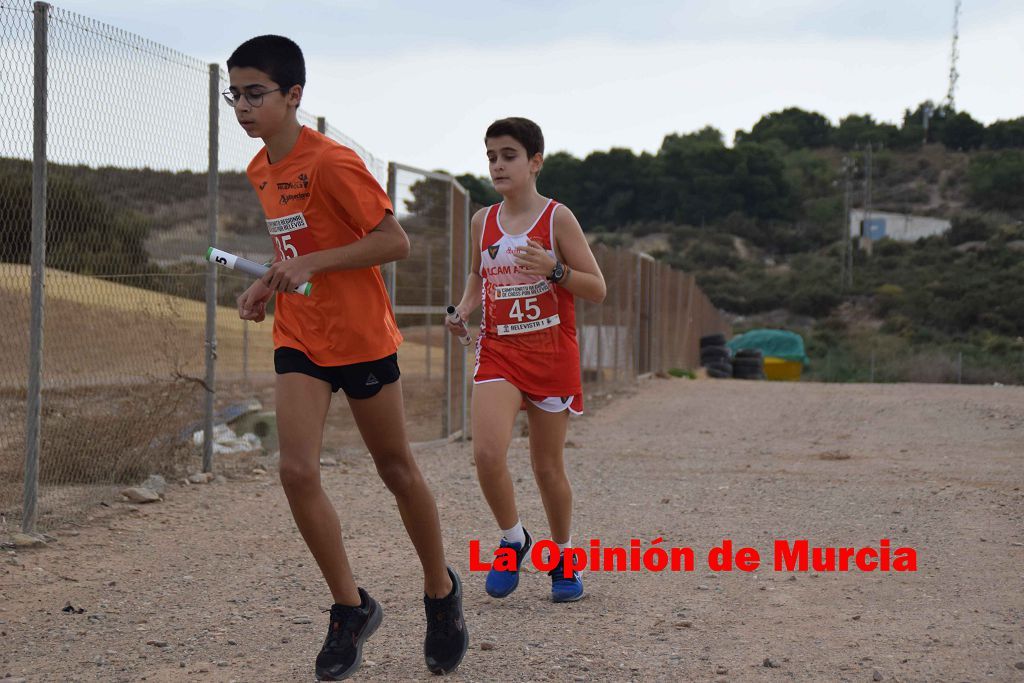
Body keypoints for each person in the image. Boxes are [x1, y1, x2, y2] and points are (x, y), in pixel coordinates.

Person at [226, 35, 467, 680]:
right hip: (301, 334)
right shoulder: (259, 169)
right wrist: (268, 280)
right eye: (235, 95)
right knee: (297, 472)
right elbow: (295, 248)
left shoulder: (332, 163)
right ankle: (349, 607)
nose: (243, 107)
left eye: (256, 94)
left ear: (294, 95)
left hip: (360, 336)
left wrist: (313, 262)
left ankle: (440, 593)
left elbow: (395, 242)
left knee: (395, 468)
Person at [446, 117, 607, 603]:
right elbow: (479, 276)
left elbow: (597, 288)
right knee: (488, 453)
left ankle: (562, 558)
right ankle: (513, 538)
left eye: (508, 155)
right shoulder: (482, 221)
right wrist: (464, 309)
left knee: (546, 467)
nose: (497, 164)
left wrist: (555, 270)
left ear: (535, 162)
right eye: (491, 155)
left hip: (551, 354)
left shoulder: (558, 219)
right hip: (499, 351)